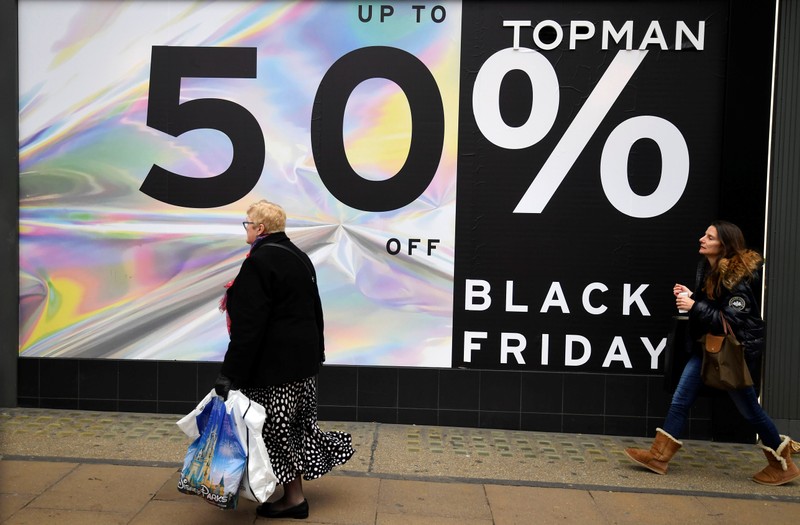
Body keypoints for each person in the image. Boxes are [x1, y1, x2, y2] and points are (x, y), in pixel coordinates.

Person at [625, 220, 799, 486]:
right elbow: (711, 305)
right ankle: (658, 457)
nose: (701, 239)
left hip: (732, 355)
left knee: (750, 409)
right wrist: (690, 295)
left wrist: (693, 305)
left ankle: (782, 464)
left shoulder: (737, 278)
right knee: (681, 398)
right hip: (708, 348)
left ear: (724, 245)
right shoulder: (710, 268)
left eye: (709, 237)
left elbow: (732, 320)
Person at [215, 199, 355, 518]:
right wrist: (316, 355)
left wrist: (229, 373)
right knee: (292, 427)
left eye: (247, 224)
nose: (246, 229)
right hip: (302, 365)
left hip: (276, 368)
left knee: (276, 431)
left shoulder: (260, 262)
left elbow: (250, 327)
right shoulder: (297, 256)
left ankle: (293, 499)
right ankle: (293, 494)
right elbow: (314, 311)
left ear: (260, 228)